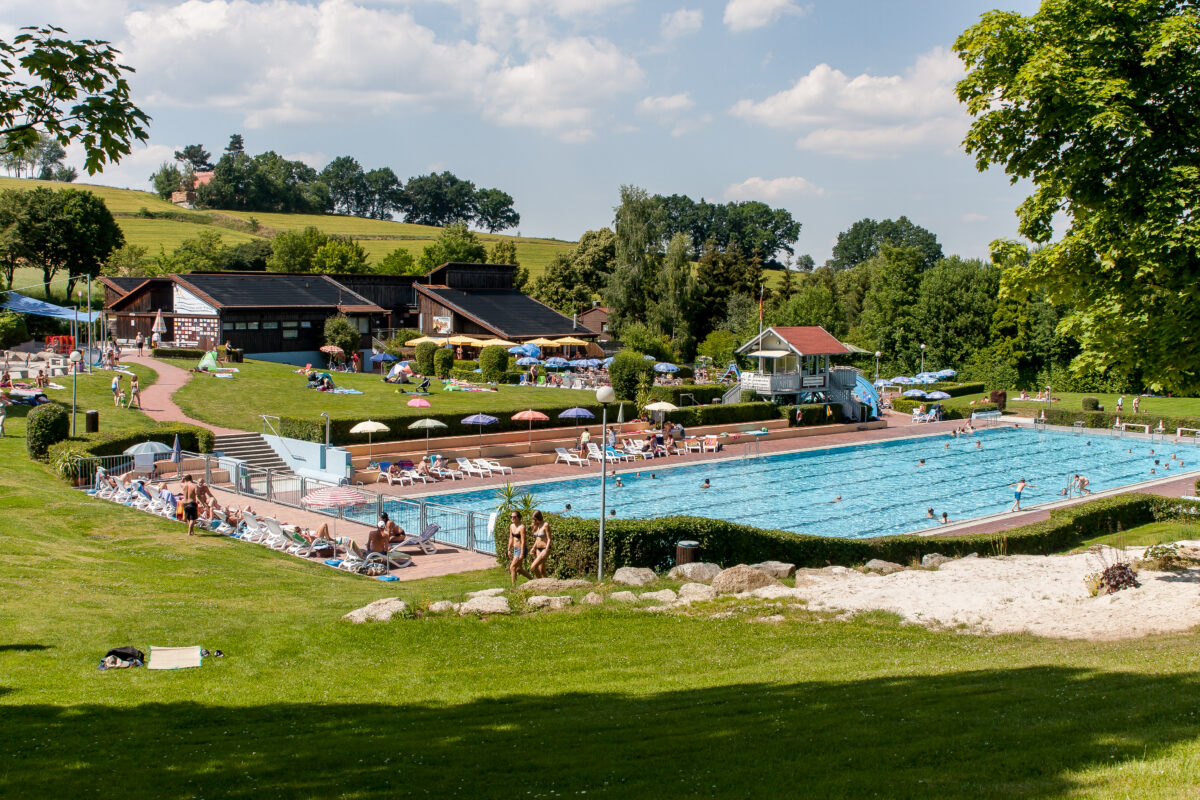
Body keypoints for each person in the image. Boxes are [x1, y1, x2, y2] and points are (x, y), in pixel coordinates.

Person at [508, 511, 531, 586]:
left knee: (512, 567)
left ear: (518, 517)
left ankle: (513, 587)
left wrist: (521, 553)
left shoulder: (522, 527)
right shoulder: (511, 526)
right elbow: (511, 538)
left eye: (514, 517)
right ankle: (532, 580)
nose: (512, 518)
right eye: (511, 517)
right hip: (515, 549)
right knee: (519, 569)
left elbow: (523, 541)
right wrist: (508, 549)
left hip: (521, 549)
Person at [528, 510, 552, 578]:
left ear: (539, 517)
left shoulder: (545, 525)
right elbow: (538, 539)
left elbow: (549, 539)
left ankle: (539, 583)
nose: (533, 520)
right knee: (541, 570)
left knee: (533, 567)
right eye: (533, 519)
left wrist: (546, 550)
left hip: (545, 548)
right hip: (538, 549)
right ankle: (546, 585)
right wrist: (533, 548)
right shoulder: (536, 525)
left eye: (535, 519)